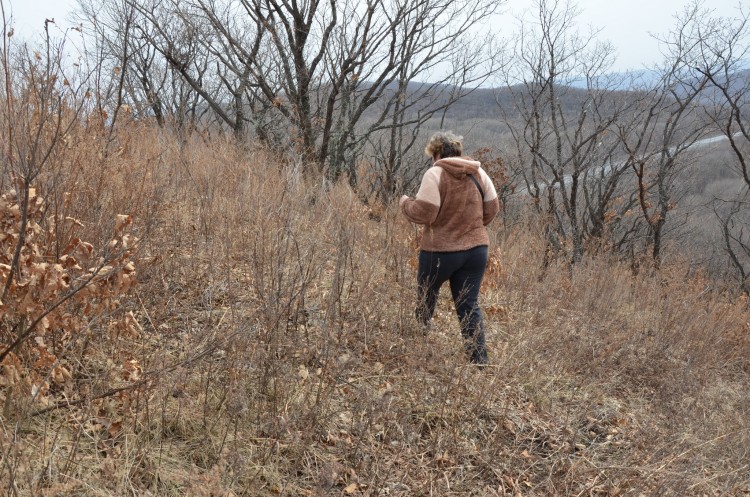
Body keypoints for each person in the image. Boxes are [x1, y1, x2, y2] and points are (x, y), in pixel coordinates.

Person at [399, 131, 500, 365]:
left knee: (427, 296)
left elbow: (424, 213)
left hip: (439, 251)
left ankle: (418, 342)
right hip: (476, 251)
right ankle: (479, 361)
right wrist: (473, 227)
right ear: (457, 152)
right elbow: (493, 208)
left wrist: (404, 203)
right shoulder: (478, 172)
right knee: (468, 305)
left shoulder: (435, 174)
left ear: (435, 153)